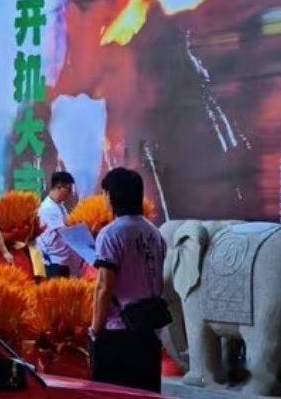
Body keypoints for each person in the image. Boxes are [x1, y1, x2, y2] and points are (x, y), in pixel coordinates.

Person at [89, 167, 167, 393]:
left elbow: (104, 287)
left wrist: (95, 330)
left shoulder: (111, 233)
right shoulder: (154, 233)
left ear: (112, 196)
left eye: (105, 193)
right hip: (148, 330)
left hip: (118, 333)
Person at [36, 171, 80, 278]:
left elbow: (69, 223)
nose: (70, 193)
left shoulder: (60, 205)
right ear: (59, 186)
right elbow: (65, 232)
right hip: (52, 261)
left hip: (62, 260)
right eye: (69, 189)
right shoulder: (49, 208)